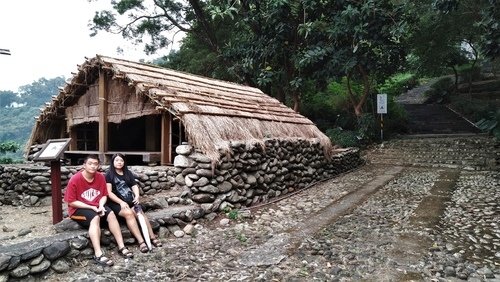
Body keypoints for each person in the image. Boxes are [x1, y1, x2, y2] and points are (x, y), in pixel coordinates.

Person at [64, 154, 134, 267]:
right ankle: (98, 253)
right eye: (90, 164)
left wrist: (101, 206)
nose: (92, 166)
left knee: (111, 214)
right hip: (78, 209)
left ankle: (121, 246)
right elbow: (71, 201)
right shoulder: (75, 179)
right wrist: (91, 207)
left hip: (97, 205)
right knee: (95, 217)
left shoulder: (100, 177)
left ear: (98, 165)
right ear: (84, 165)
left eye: (95, 164)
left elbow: (104, 195)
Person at [105, 153, 162, 253]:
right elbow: (108, 193)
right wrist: (121, 202)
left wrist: (137, 196)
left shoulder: (128, 173)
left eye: (121, 160)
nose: (119, 162)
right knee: (129, 213)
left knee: (139, 212)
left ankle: (152, 238)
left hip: (130, 201)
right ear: (113, 162)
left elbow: (134, 186)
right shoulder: (109, 174)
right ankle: (141, 242)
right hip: (116, 203)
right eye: (117, 160)